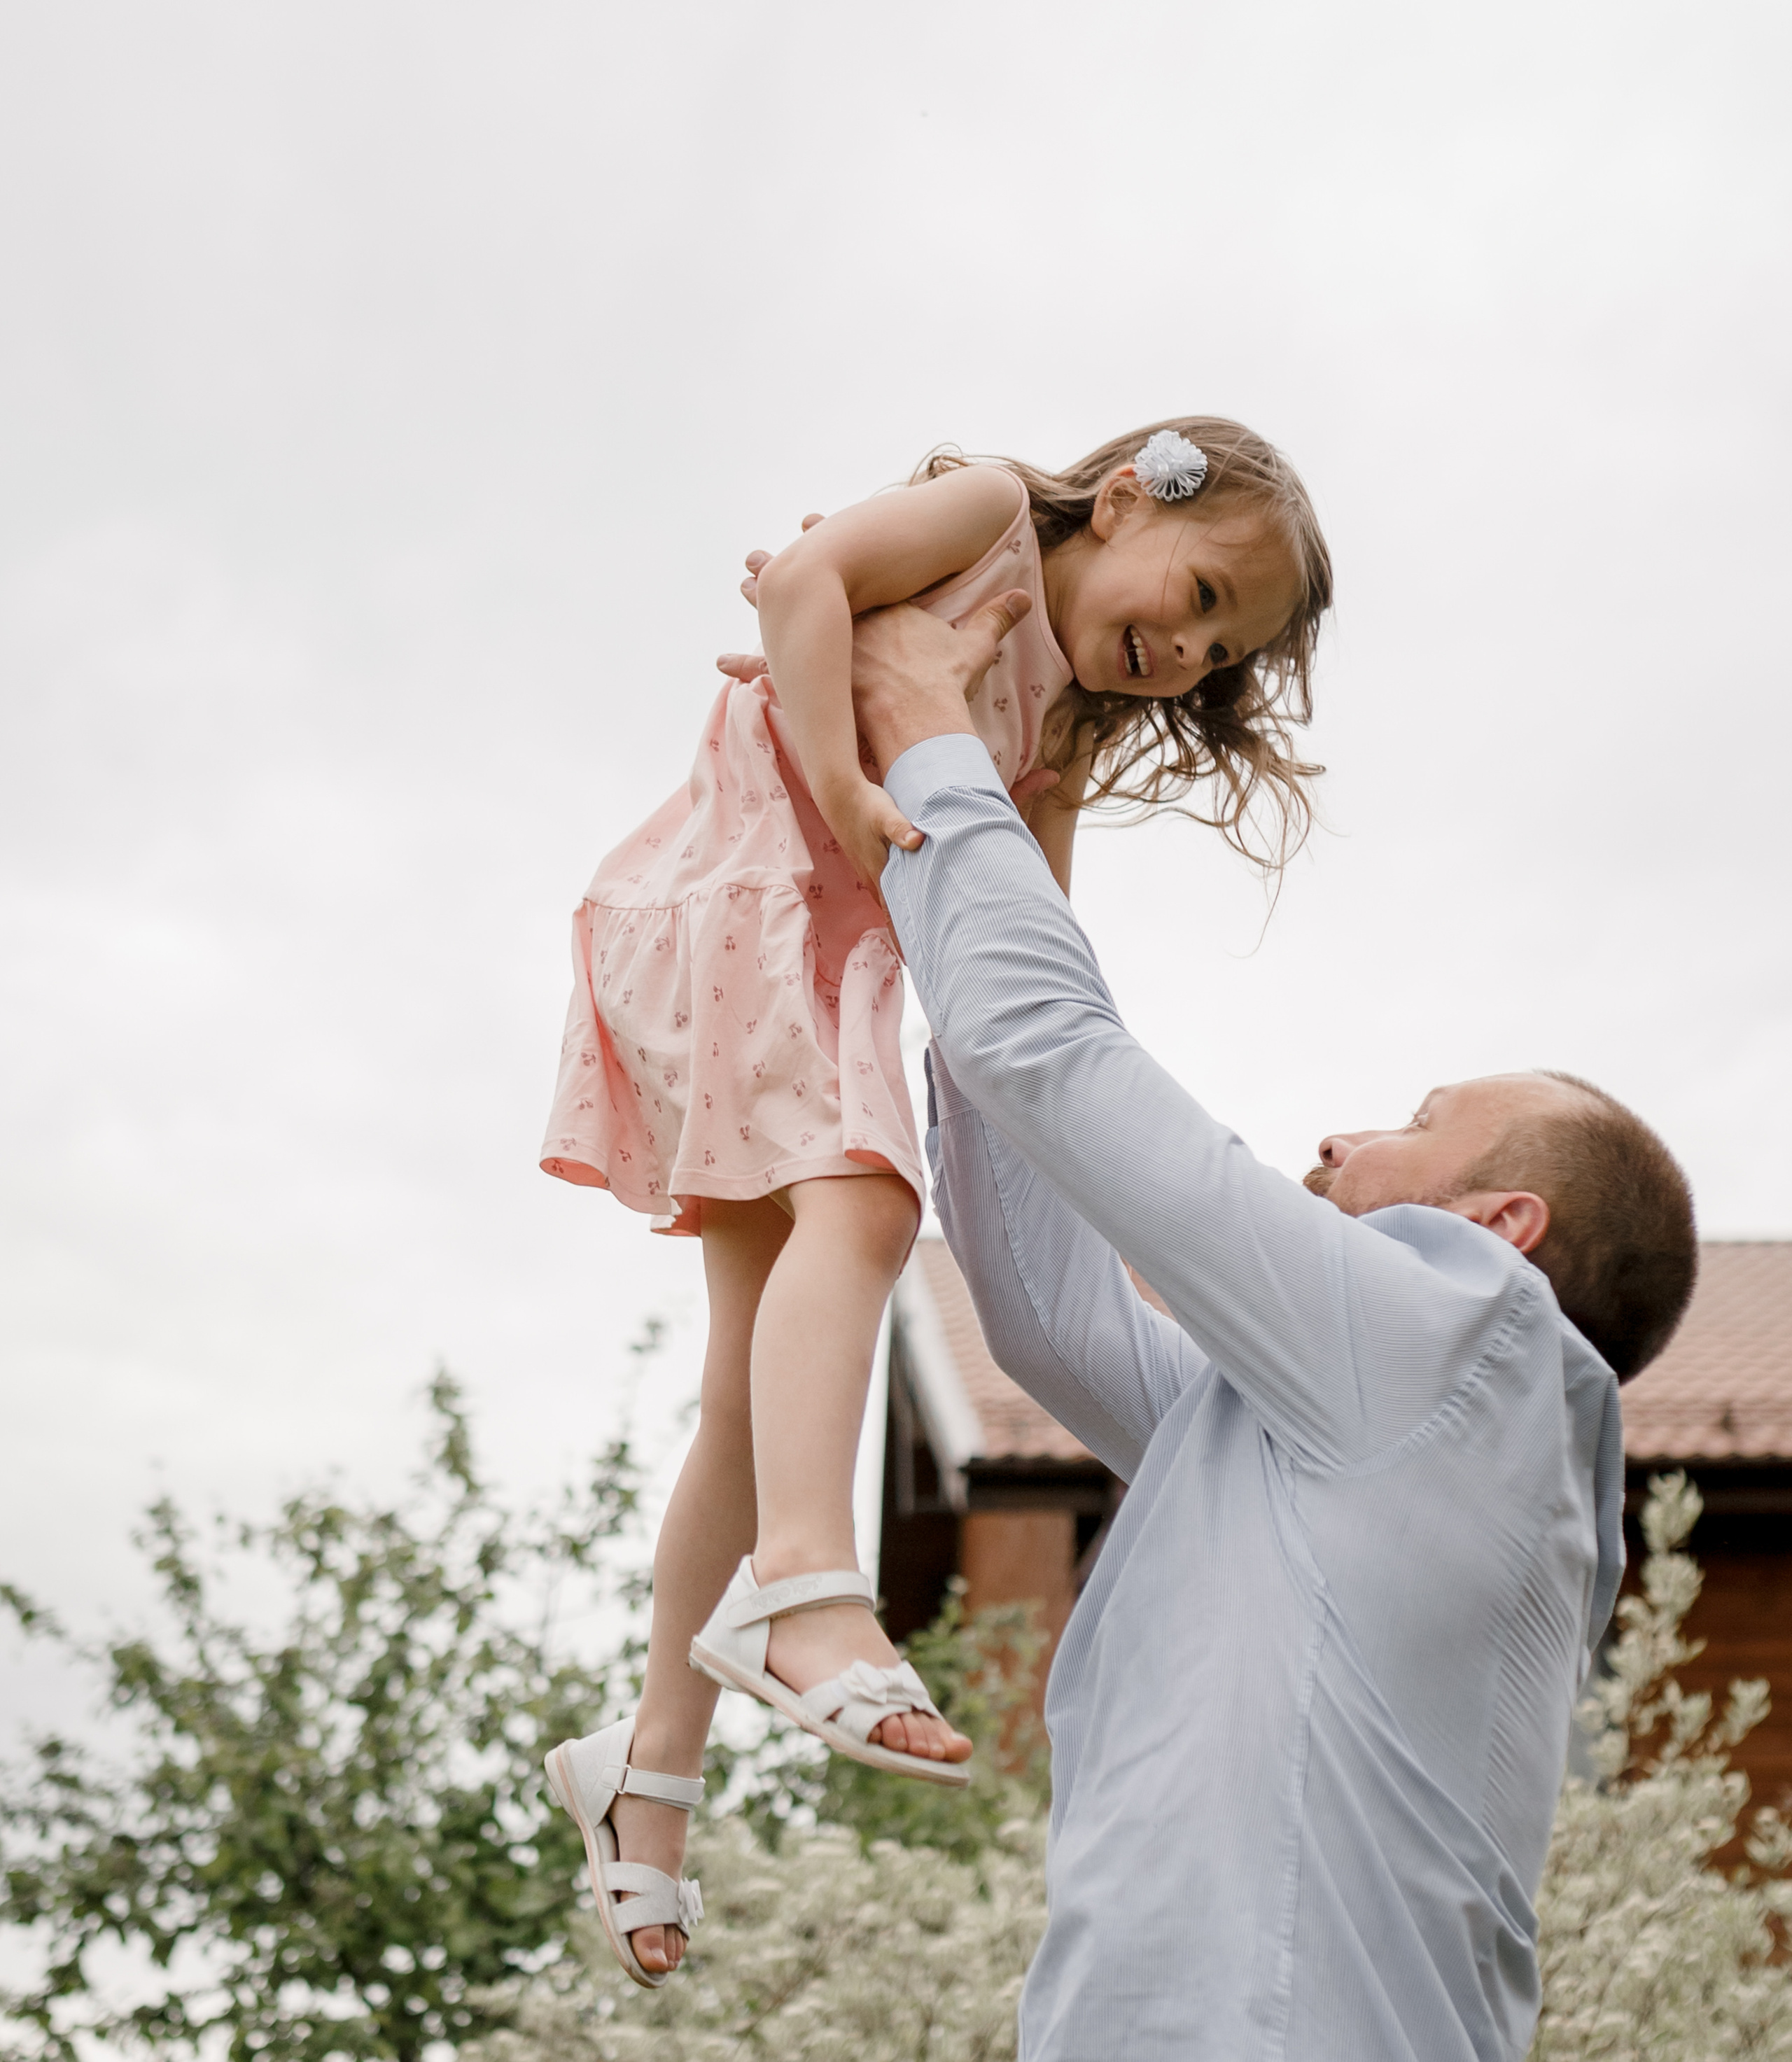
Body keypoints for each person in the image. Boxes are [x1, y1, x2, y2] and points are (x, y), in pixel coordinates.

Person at [824, 591, 1698, 2061]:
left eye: (1417, 1124)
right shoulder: (1342, 1433)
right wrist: (1029, 819)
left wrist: (921, 726)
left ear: (1496, 1232)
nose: (1342, 1137)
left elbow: (1050, 1058)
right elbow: (1048, 1311)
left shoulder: (1467, 1350)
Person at [538, 421, 1334, 1984]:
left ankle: (648, 1774)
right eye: (1193, 594)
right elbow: (808, 589)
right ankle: (806, 1590)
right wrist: (841, 778)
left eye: (1216, 648)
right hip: (744, 903)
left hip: (800, 952)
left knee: (741, 1393)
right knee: (864, 1215)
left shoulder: (1070, 725)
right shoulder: (979, 521)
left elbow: (1016, 924)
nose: (1180, 648)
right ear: (1119, 500)